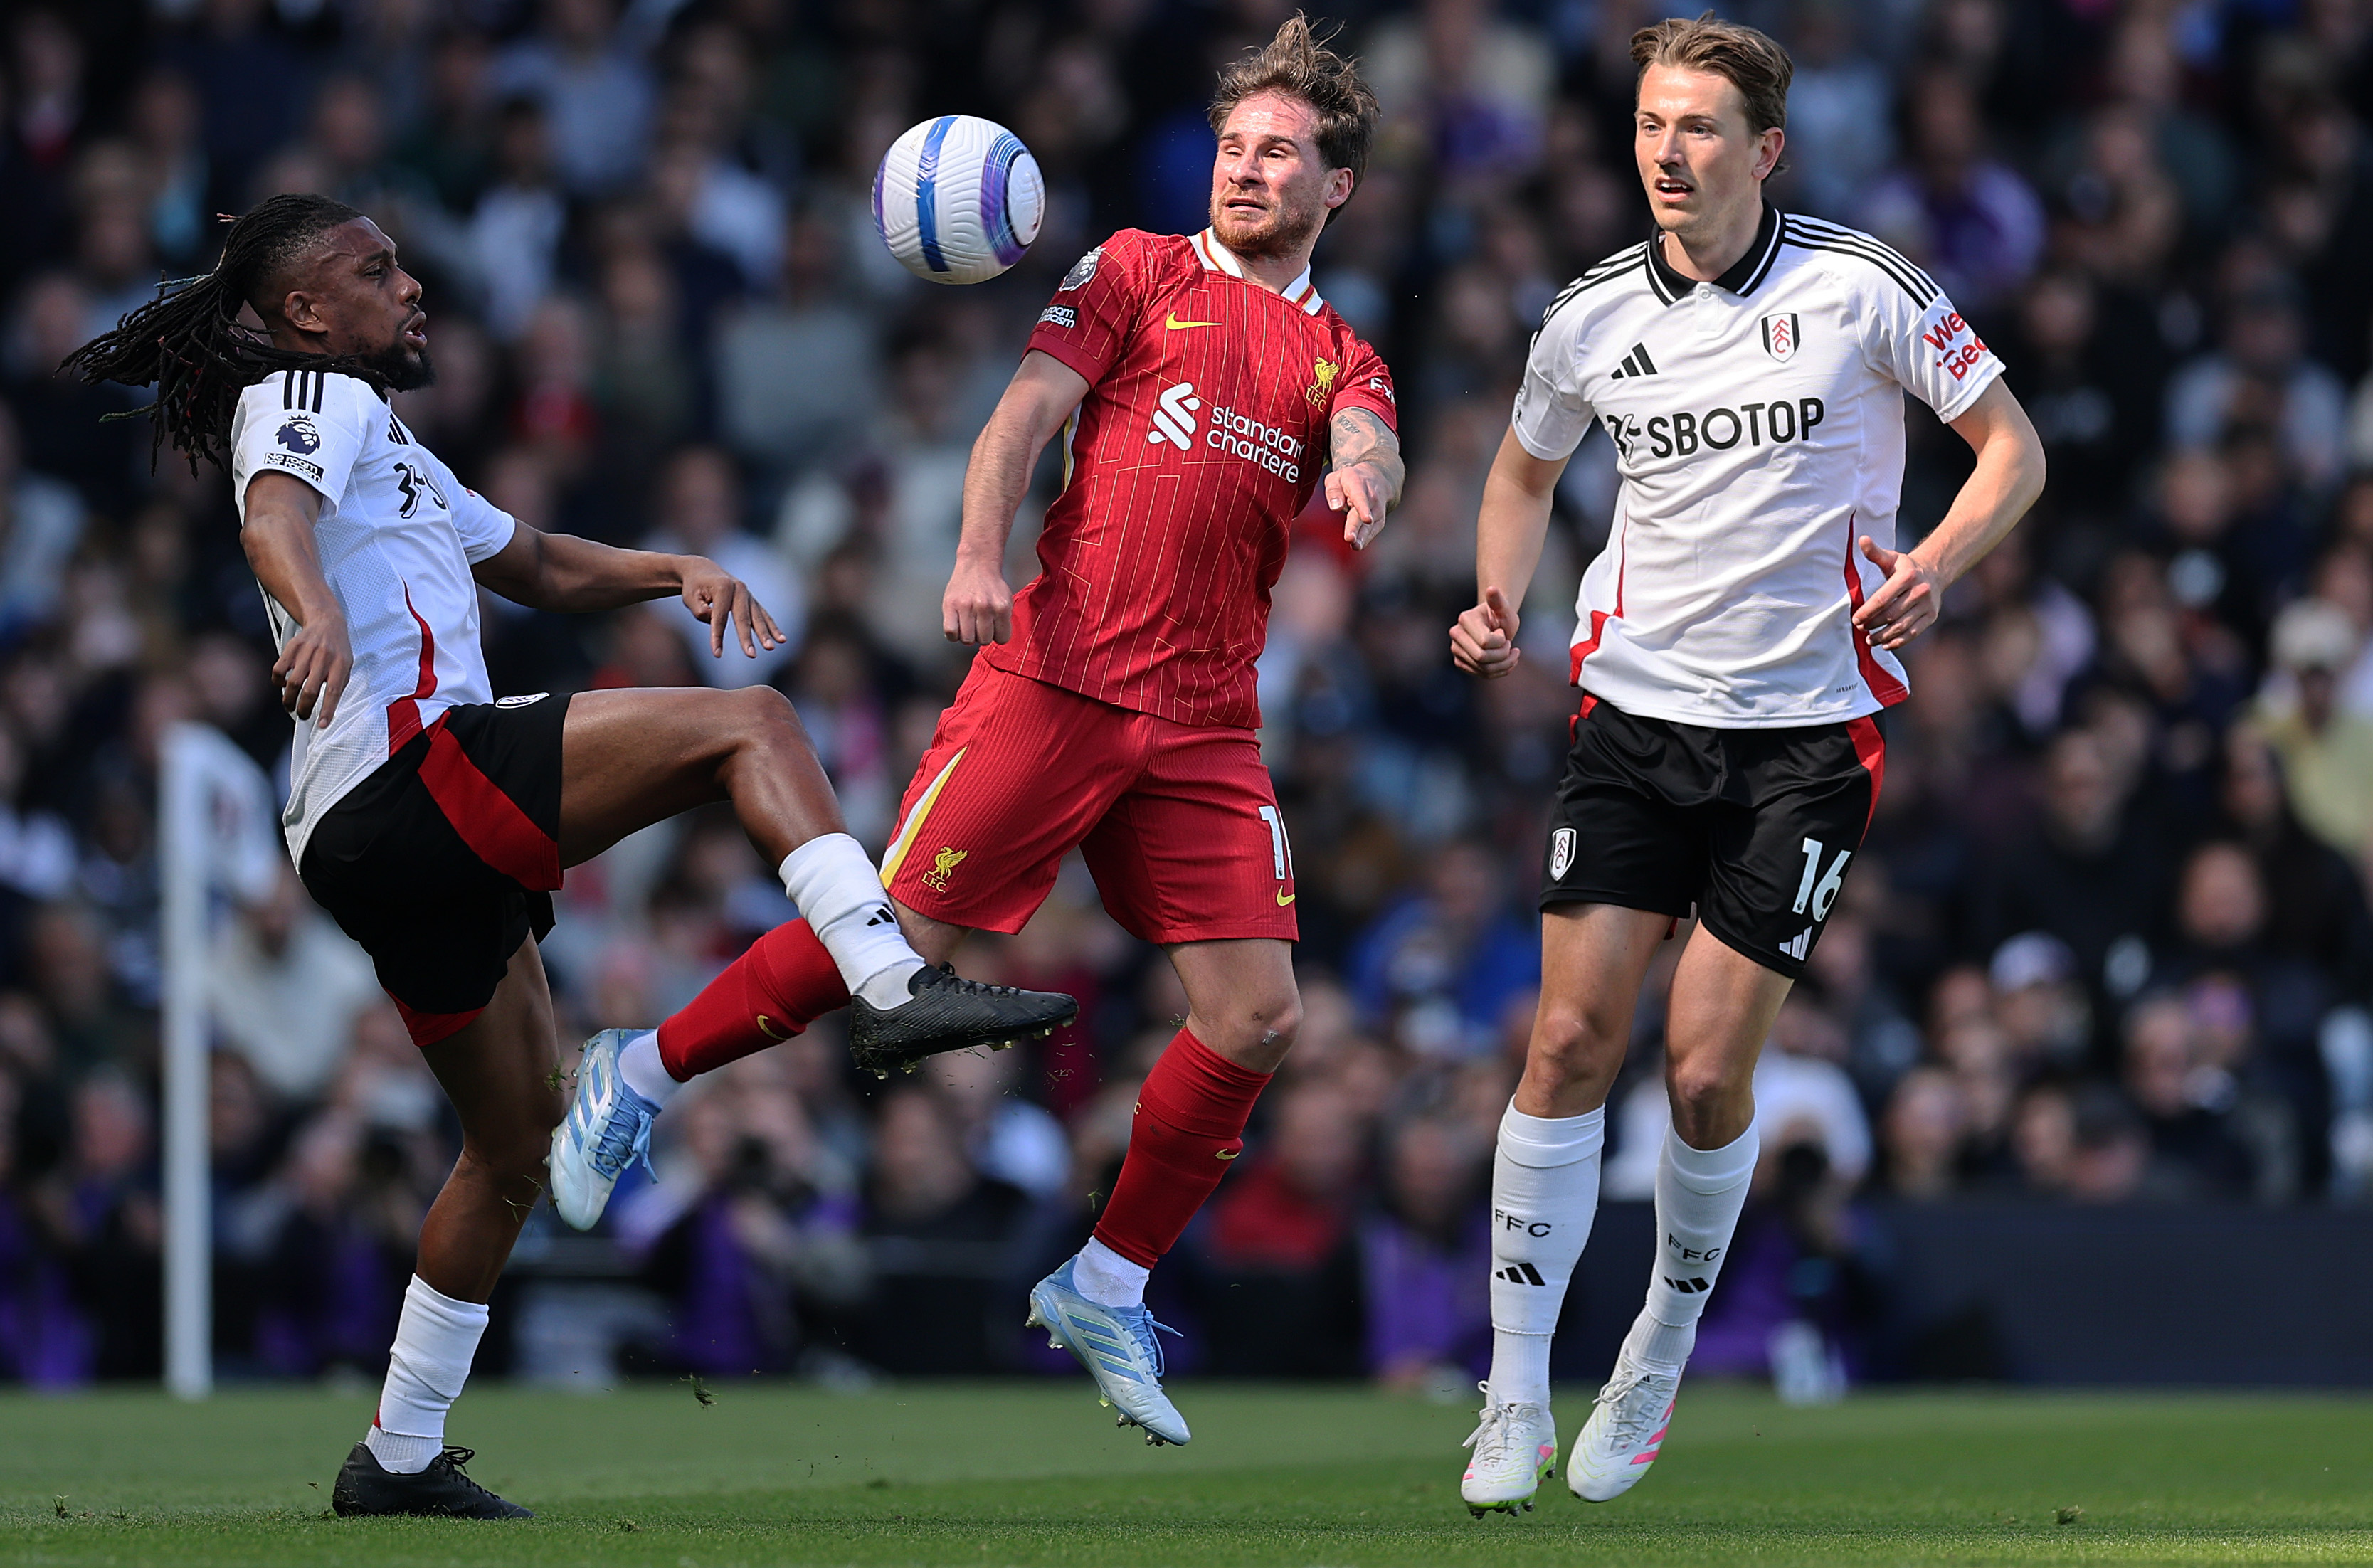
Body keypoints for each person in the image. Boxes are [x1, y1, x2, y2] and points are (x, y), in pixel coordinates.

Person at [65, 194, 1074, 1519]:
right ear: (308, 311)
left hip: (375, 834)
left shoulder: (389, 439)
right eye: (376, 270)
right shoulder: (309, 394)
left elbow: (532, 561)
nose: (412, 285)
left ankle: (400, 1458)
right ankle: (887, 985)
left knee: (515, 1147)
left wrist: (675, 570)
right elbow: (271, 517)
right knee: (754, 723)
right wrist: (309, 612)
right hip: (406, 772)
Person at [548, 15, 1404, 1448]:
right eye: (1235, 147)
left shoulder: (1339, 352)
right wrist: (971, 552)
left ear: (1340, 188)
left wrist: (1367, 474)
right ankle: (630, 1073)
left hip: (1203, 727)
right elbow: (1023, 415)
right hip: (1059, 677)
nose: (1248, 172)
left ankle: (1106, 1279)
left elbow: (1370, 429)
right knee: (897, 943)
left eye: (1282, 155)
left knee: (1258, 1017)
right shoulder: (1134, 268)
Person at [1446, 16, 2044, 1513]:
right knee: (1568, 1048)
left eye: (1702, 126)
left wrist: (1942, 563)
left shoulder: (1859, 286)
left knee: (1707, 1072)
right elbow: (1525, 467)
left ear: (1764, 149)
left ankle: (1658, 1341)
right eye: (1653, 122)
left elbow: (2011, 446)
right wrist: (1500, 591)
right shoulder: (1588, 315)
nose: (1669, 151)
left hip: (1806, 739)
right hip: (1633, 720)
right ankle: (1514, 1386)